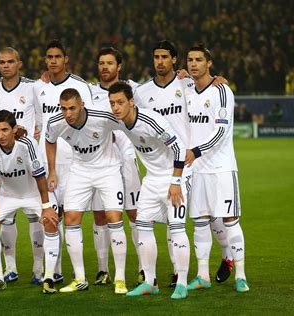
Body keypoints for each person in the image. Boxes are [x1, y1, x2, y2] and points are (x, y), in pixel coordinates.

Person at [134, 40, 233, 286]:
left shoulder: (186, 82)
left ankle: (227, 255)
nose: (159, 61)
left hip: (190, 160)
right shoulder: (142, 92)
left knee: (208, 216)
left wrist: (218, 80)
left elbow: (208, 87)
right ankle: (180, 272)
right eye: (156, 57)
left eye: (164, 57)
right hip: (162, 165)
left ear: (174, 60)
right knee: (178, 218)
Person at [109, 81, 190, 299]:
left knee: (177, 229)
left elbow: (179, 148)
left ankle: (181, 283)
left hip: (175, 176)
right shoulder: (120, 121)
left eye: (120, 102)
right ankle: (149, 282)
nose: (115, 107)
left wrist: (175, 182)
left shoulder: (150, 120)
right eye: (112, 103)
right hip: (152, 179)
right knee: (142, 227)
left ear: (131, 102)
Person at [46, 88, 128, 295]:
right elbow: (49, 140)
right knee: (71, 218)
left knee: (113, 216)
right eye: (63, 108)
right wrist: (53, 170)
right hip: (80, 171)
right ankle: (80, 278)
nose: (68, 114)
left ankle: (120, 278)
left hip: (108, 170)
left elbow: (128, 122)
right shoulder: (56, 122)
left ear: (82, 105)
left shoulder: (102, 117)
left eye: (72, 108)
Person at [184, 44, 249, 293]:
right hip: (197, 170)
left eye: (199, 60)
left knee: (230, 221)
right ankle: (202, 275)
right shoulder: (188, 88)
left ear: (209, 63)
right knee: (200, 222)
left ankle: (241, 275)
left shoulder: (222, 90)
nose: (193, 64)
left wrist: (196, 151)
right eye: (190, 60)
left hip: (221, 168)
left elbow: (221, 132)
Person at [34, 39, 95, 284]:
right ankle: (54, 270)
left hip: (73, 159)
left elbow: (88, 119)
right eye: (49, 57)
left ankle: (80, 272)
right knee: (50, 215)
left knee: (72, 214)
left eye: (57, 56)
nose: (53, 61)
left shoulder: (79, 85)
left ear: (66, 59)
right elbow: (38, 122)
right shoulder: (38, 87)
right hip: (46, 158)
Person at [0, 110, 59, 294]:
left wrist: (46, 207)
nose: (0, 135)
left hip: (33, 193)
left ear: (15, 129)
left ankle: (48, 277)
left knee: (51, 222)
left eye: (5, 130)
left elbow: (40, 177)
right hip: (8, 194)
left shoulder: (27, 143)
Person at [0, 47, 44, 284]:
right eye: (1, 62)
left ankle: (39, 269)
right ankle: (10, 268)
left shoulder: (33, 87)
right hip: (2, 161)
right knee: (6, 219)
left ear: (19, 63)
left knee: (35, 217)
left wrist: (30, 136)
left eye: (10, 62)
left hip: (29, 162)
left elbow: (41, 119)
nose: (5, 66)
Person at [88, 47, 142, 285]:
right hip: (102, 163)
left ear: (119, 66)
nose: (105, 67)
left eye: (110, 63)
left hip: (128, 158)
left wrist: (184, 76)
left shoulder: (134, 89)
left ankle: (142, 267)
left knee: (134, 213)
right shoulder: (88, 91)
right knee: (101, 215)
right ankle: (103, 269)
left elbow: (162, 89)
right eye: (101, 63)